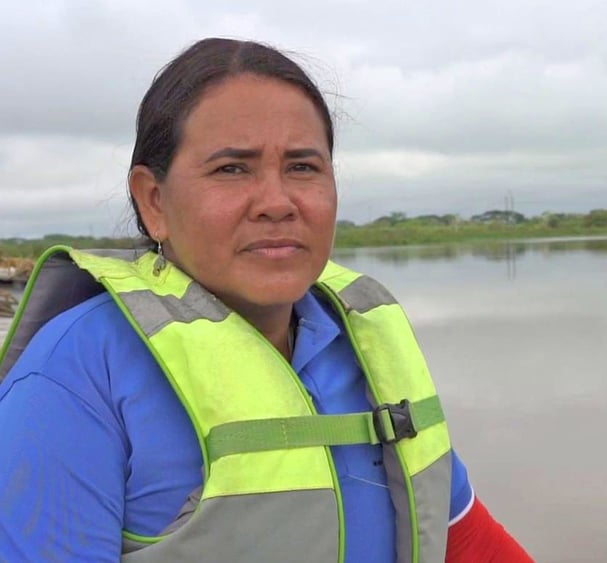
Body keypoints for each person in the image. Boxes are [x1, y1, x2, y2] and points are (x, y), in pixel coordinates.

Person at [0, 38, 532, 562]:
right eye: (232, 169)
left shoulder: (368, 352)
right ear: (154, 200)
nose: (277, 203)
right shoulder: (74, 377)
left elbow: (468, 542)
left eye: (303, 167)